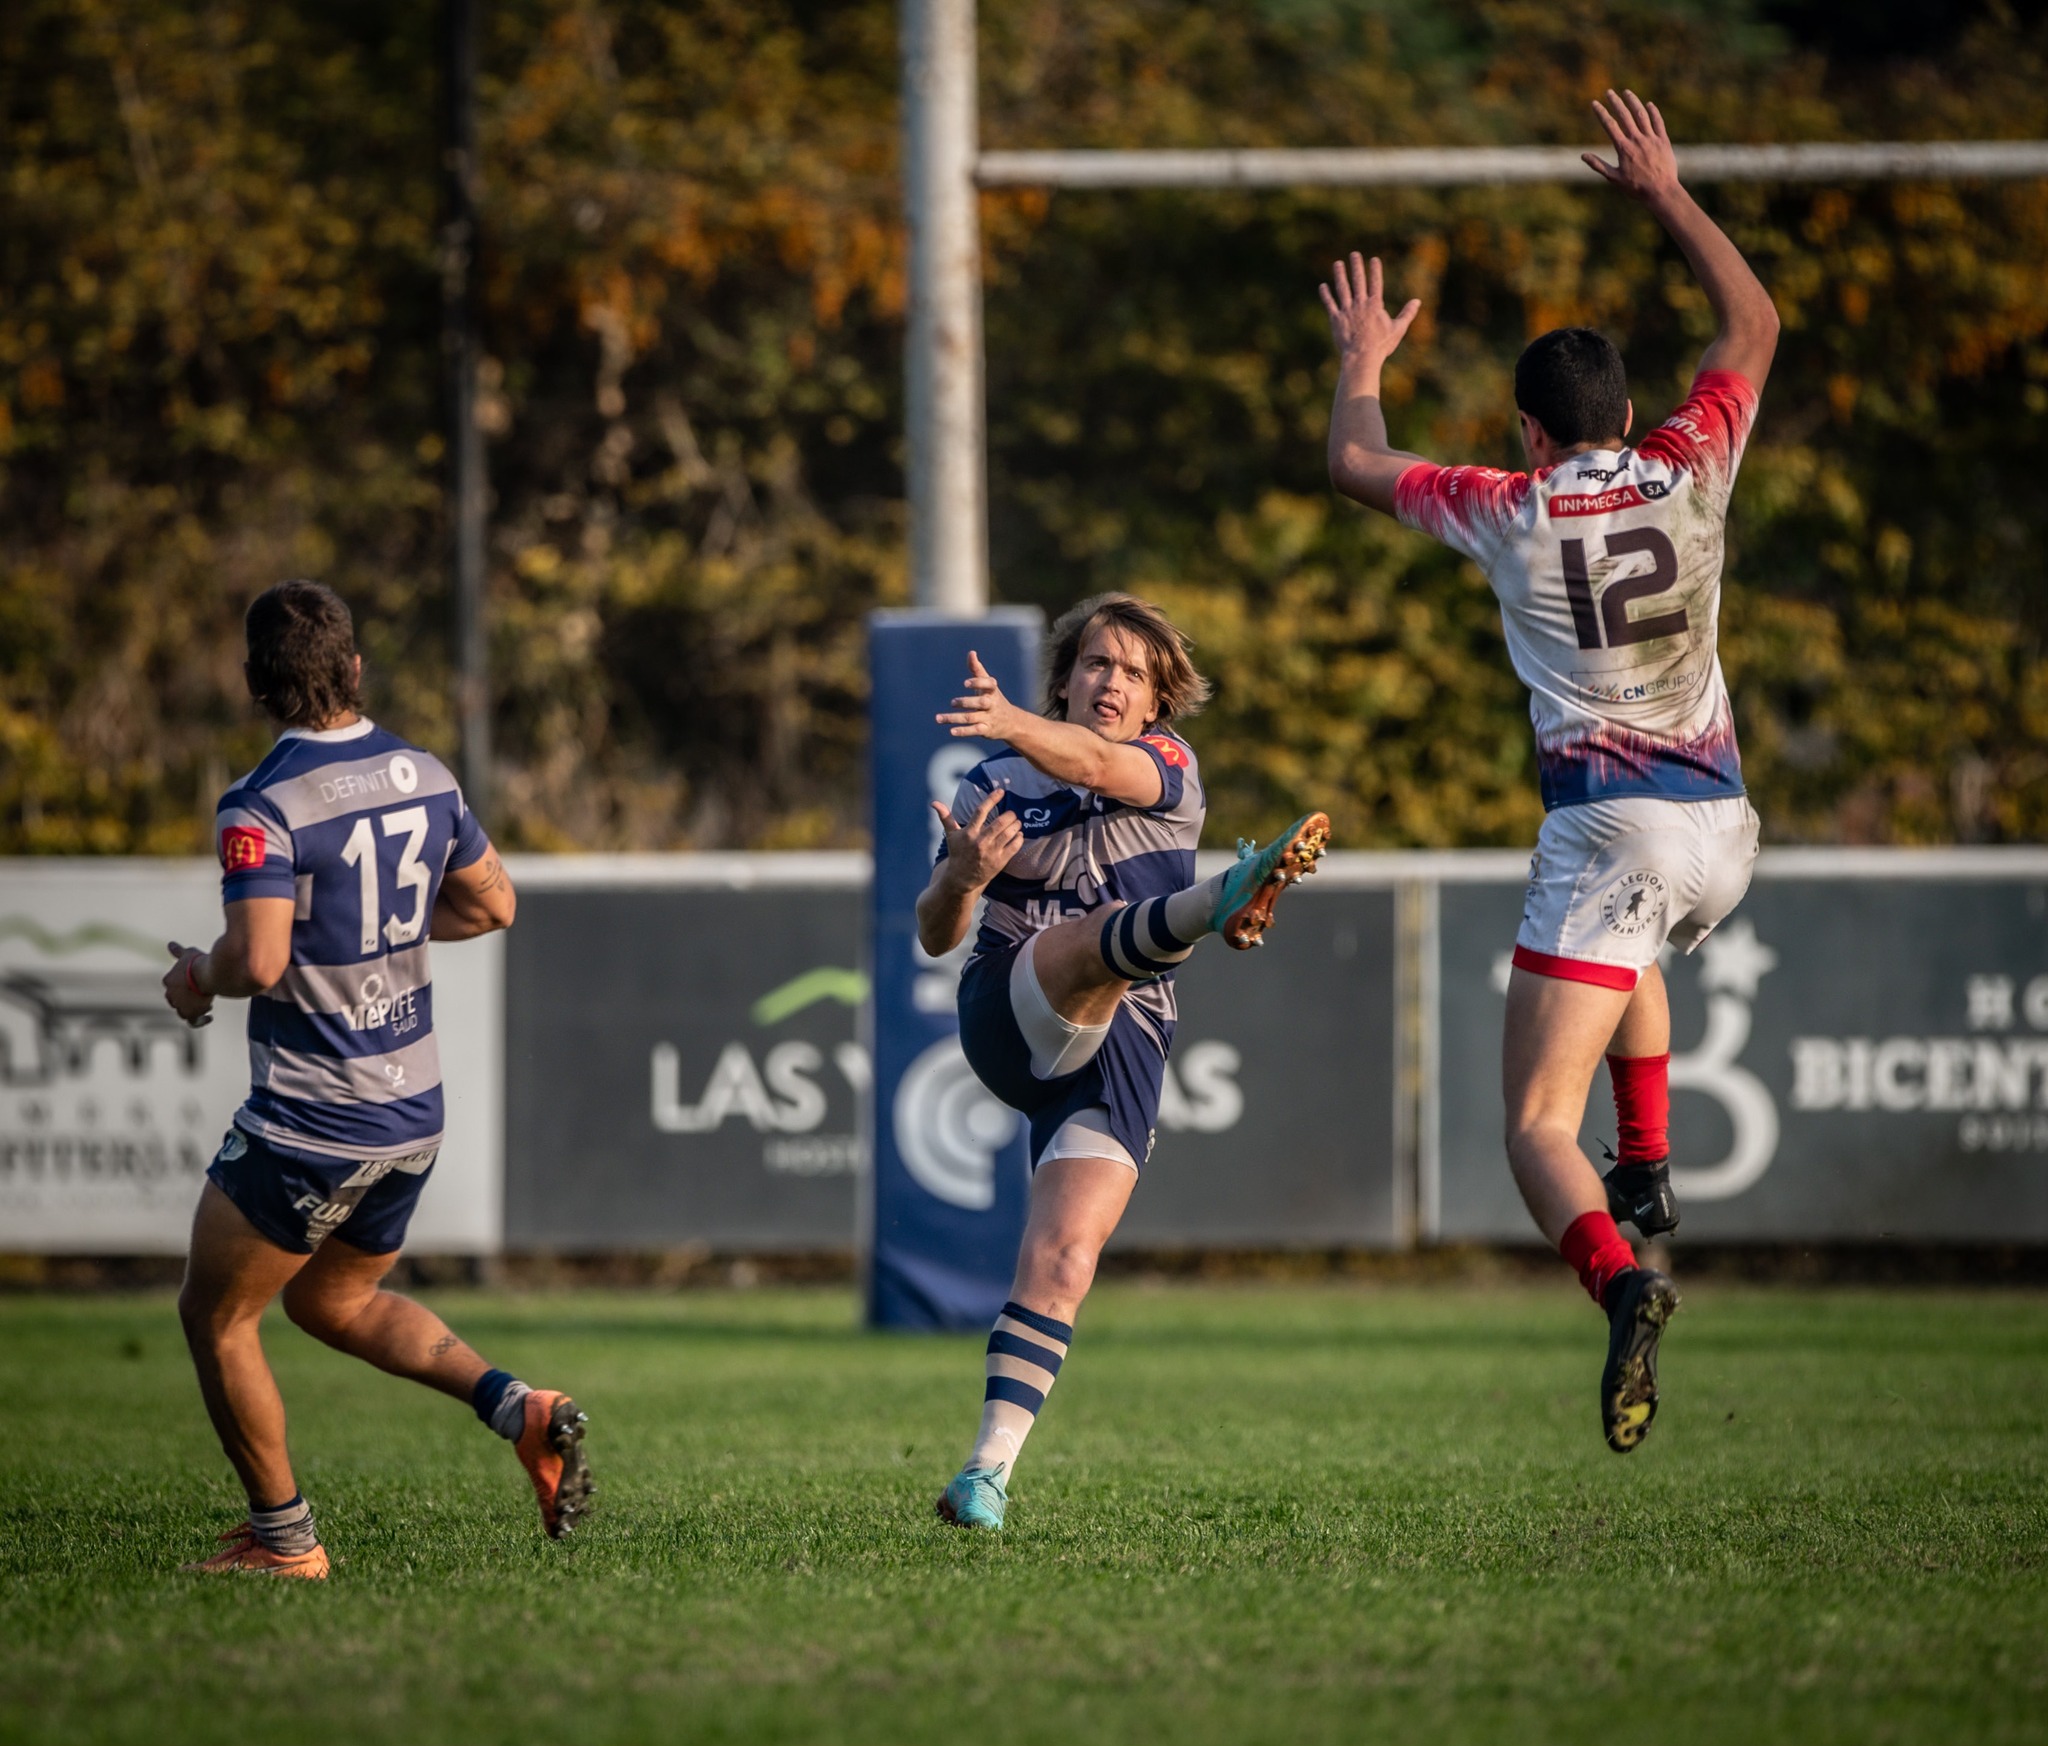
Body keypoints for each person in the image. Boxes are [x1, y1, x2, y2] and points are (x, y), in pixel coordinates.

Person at [1320, 90, 1778, 1453]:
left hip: (1611, 826)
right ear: (1631, 412)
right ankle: (1648, 1162)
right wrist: (1665, 195)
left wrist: (1363, 353)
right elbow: (1752, 328)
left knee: (1527, 1125)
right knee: (1627, 953)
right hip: (1727, 828)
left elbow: (1353, 458)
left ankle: (1621, 1280)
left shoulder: (1507, 510)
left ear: (1529, 434)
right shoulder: (1692, 464)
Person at [162, 580, 592, 1579]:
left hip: (313, 1114)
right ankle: (516, 1408)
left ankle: (286, 1543)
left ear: (253, 687)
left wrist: (195, 977)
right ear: (354, 669)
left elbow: (259, 961)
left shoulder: (260, 803)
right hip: (411, 1111)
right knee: (332, 1303)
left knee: (214, 1315)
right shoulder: (425, 774)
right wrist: (382, 931)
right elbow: (494, 907)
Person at [918, 592, 1329, 1528]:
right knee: (1101, 934)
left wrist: (1017, 721)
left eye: (1136, 675)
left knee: (1064, 1259)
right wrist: (960, 878)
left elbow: (1100, 765)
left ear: (1157, 707)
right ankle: (1227, 896)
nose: (1114, 683)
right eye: (1098, 664)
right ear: (1066, 678)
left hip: (1121, 1046)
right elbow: (935, 933)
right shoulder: (991, 780)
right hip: (1007, 1014)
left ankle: (985, 1475)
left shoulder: (1170, 768)